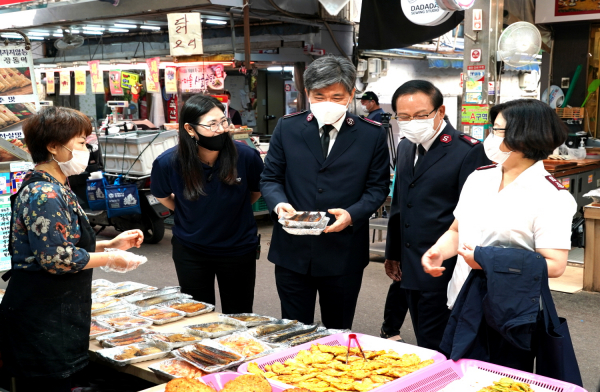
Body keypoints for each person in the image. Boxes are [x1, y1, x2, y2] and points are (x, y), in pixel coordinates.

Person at [0, 107, 145, 392]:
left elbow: (62, 243)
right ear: (53, 146)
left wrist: (111, 244)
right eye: (80, 142)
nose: (86, 149)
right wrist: (111, 259)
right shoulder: (46, 193)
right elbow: (57, 258)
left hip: (54, 311)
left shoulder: (58, 185)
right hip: (41, 318)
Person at [422, 99, 577, 370]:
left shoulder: (551, 196)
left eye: (498, 131)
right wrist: (438, 251)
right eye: (492, 129)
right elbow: (457, 230)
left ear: (527, 135)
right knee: (456, 376)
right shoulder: (479, 178)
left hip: (510, 311)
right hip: (462, 298)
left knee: (500, 385)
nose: (490, 138)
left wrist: (486, 259)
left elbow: (555, 265)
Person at [260, 55, 390, 330]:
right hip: (292, 250)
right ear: (307, 94)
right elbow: (270, 178)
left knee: (338, 329)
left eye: (336, 96)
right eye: (319, 96)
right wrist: (279, 203)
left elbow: (377, 187)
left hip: (343, 250)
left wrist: (353, 214)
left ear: (352, 94)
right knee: (293, 331)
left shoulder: (371, 134)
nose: (328, 103)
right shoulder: (288, 126)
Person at [385, 80, 489, 351]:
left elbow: (474, 215)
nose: (411, 122)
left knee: (440, 342)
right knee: (423, 337)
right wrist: (392, 252)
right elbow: (399, 204)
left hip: (446, 265)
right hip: (410, 263)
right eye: (404, 117)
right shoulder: (406, 146)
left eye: (421, 116)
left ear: (440, 111)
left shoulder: (468, 150)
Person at [150, 94, 263, 314]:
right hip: (191, 250)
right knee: (197, 315)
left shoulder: (246, 157)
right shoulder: (168, 163)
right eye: (212, 124)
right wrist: (190, 211)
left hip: (238, 249)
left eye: (223, 121)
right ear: (190, 129)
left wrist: (231, 209)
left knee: (239, 315)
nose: (221, 129)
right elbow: (163, 196)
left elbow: (256, 192)